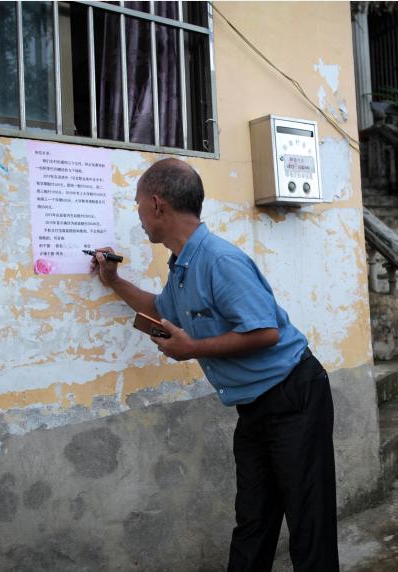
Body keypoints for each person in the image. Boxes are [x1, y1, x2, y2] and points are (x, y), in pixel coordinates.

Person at [90, 158, 339, 572]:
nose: (138, 215)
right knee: (253, 521)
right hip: (255, 407)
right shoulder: (182, 266)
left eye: (138, 204)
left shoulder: (219, 260)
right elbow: (159, 308)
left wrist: (193, 349)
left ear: (157, 205)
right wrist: (114, 280)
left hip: (295, 396)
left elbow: (265, 332)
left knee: (308, 524)